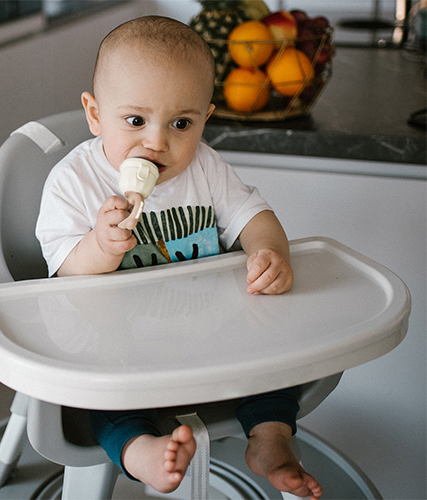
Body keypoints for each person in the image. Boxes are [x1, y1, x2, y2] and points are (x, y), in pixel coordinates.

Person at [36, 15, 322, 500]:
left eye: (181, 123)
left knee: (273, 369)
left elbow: (255, 216)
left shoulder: (205, 167)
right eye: (135, 121)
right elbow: (65, 275)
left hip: (209, 332)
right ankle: (141, 451)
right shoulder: (73, 182)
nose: (157, 142)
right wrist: (99, 246)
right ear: (94, 114)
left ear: (205, 119)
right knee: (106, 400)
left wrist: (270, 251)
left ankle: (270, 440)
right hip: (120, 345)